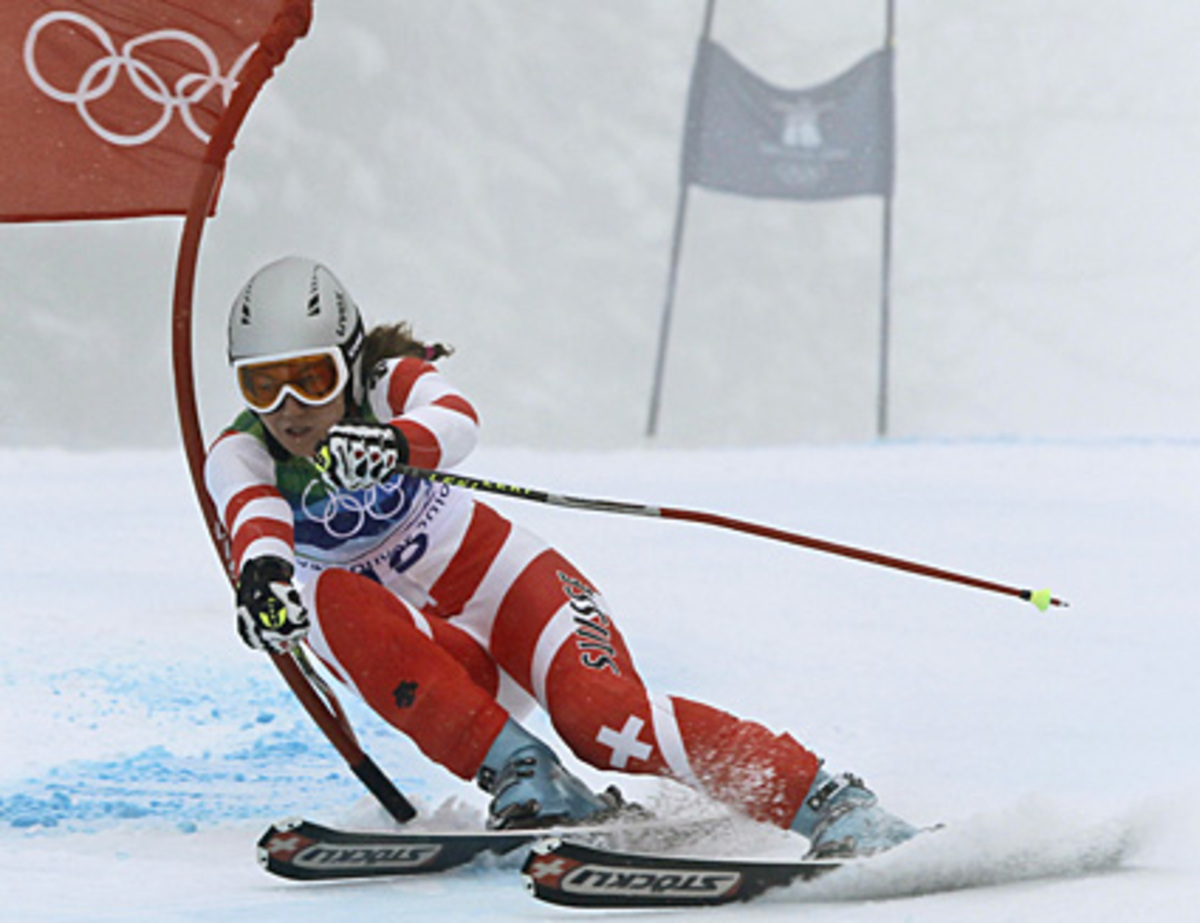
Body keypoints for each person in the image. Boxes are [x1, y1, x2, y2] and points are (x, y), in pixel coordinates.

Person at [205, 255, 920, 857]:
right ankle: (527, 775)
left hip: (505, 588)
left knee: (600, 717)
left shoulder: (388, 383)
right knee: (330, 598)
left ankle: (827, 799)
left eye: (312, 376)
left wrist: (398, 443)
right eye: (261, 384)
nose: (291, 406)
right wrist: (264, 577)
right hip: (438, 663)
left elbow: (455, 420)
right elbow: (253, 517)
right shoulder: (244, 451)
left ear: (349, 359)